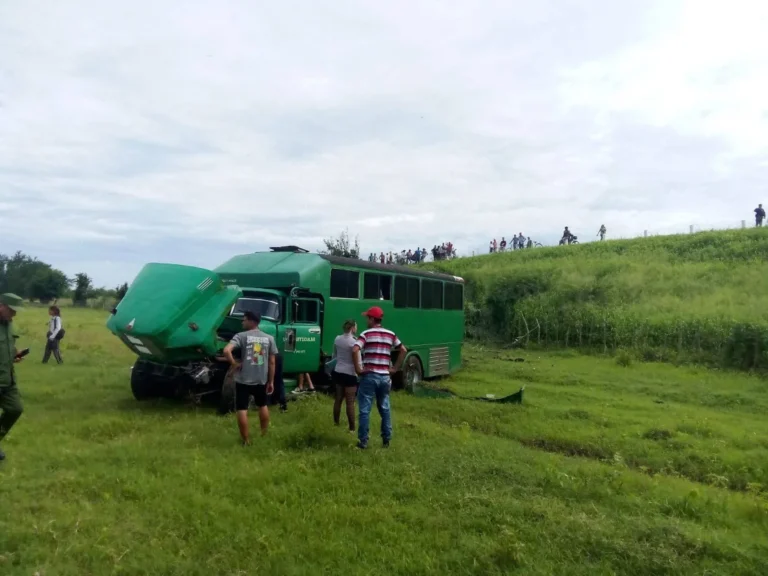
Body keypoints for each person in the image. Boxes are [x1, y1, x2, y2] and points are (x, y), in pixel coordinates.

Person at [352, 306, 407, 449]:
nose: (366, 321)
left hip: (369, 376)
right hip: (385, 377)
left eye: (367, 318)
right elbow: (403, 350)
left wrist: (358, 369)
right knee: (385, 408)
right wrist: (394, 368)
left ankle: (363, 441)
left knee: (364, 410)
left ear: (372, 319)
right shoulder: (391, 334)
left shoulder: (366, 334)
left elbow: (355, 349)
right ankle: (386, 439)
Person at [222, 310, 277, 445]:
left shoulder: (241, 336)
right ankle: (264, 435)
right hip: (261, 379)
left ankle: (246, 441)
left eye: (244, 319)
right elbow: (272, 362)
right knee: (262, 405)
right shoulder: (269, 338)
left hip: (243, 380)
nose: (242, 321)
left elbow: (226, 350)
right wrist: (271, 381)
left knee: (242, 409)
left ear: (252, 321)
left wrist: (234, 363)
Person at [0, 293, 25, 462]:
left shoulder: (8, 324)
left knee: (15, 409)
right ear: (2, 306)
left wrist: (14, 354)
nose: (14, 314)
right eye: (12, 310)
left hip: (8, 380)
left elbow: (8, 344)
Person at [331, 320, 359, 431]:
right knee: (350, 402)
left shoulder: (337, 339)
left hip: (338, 371)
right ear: (352, 328)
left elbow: (335, 355)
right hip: (350, 373)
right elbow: (358, 359)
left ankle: (336, 422)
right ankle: (352, 428)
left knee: (338, 399)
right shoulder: (354, 342)